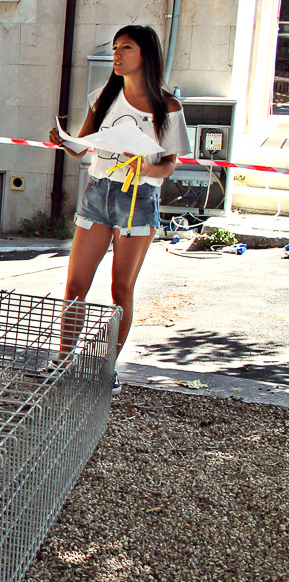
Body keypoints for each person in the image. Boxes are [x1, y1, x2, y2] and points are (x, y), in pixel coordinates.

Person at [48, 24, 189, 393]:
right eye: (115, 47)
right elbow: (81, 146)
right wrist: (64, 141)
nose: (117, 54)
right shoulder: (103, 96)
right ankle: (63, 359)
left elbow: (170, 163)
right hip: (97, 193)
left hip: (138, 199)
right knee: (76, 284)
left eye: (126, 47)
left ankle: (108, 367)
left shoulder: (167, 106)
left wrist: (147, 167)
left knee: (120, 288)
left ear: (146, 55)